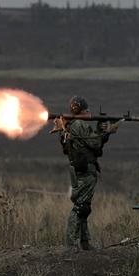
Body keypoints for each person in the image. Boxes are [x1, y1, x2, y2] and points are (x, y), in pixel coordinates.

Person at [56, 95, 110, 251]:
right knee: (81, 207)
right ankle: (71, 244)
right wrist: (105, 132)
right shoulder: (79, 124)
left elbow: (92, 142)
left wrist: (101, 129)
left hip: (80, 170)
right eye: (87, 110)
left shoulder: (70, 124)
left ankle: (85, 243)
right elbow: (95, 142)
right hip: (85, 171)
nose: (89, 112)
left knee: (85, 207)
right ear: (80, 111)